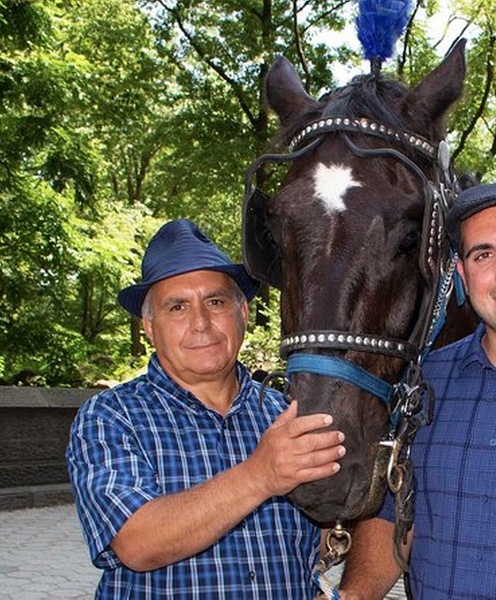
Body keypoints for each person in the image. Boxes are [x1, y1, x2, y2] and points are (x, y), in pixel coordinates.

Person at [335, 181, 496, 599]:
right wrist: (352, 595)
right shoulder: (424, 382)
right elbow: (395, 514)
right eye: (483, 254)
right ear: (461, 272)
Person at [66, 218, 346, 599]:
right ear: (149, 326)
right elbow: (136, 543)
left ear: (243, 311)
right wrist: (260, 475)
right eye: (177, 307)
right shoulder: (110, 416)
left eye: (215, 302)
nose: (201, 323)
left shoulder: (289, 415)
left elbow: (341, 525)